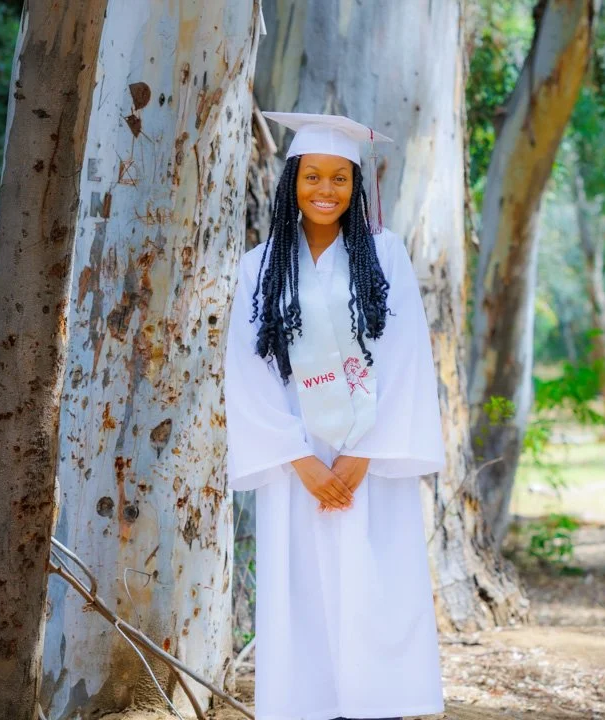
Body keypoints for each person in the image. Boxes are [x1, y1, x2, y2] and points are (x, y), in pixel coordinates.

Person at [224, 111, 446, 720]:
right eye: (313, 177)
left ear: (357, 186)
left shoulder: (386, 256)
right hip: (298, 466)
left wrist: (361, 454)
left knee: (375, 588)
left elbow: (404, 358)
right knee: (303, 595)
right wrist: (299, 459)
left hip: (366, 460)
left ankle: (379, 708)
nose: (326, 191)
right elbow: (248, 370)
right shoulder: (260, 267)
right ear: (291, 181)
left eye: (340, 179)